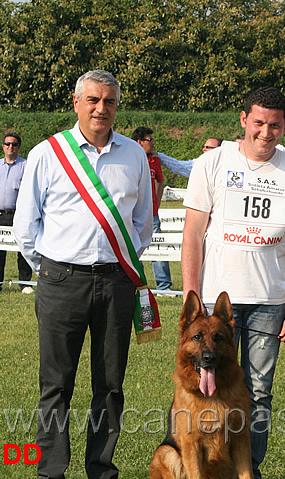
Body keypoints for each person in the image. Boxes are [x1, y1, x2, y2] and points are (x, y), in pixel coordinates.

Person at [13, 70, 153, 478]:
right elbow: (26, 226)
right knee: (55, 384)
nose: (101, 108)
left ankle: (100, 468)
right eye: (92, 100)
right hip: (61, 280)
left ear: (116, 106)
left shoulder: (133, 156)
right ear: (77, 103)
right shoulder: (47, 153)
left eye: (109, 101)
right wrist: (52, 269)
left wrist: (120, 261)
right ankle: (51, 470)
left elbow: (143, 221)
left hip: (116, 282)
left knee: (109, 385)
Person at [181, 86, 285, 478]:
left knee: (257, 392)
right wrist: (193, 306)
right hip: (213, 307)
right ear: (243, 120)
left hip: (270, 302)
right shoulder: (211, 164)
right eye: (258, 123)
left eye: (275, 125)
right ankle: (204, 467)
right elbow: (192, 235)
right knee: (205, 386)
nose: (266, 133)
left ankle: (248, 469)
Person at [131, 126, 173, 294]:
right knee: (134, 249)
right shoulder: (130, 159)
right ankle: (137, 283)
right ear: (139, 142)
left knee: (159, 249)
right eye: (150, 140)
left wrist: (156, 202)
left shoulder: (155, 160)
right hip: (133, 215)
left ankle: (164, 286)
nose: (153, 143)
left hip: (152, 214)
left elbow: (160, 182)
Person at [0, 132, 33, 293]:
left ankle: (25, 284)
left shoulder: (26, 166)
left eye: (13, 144)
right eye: (7, 144)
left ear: (19, 147)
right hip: (0, 215)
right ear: (3, 146)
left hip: (18, 214)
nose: (10, 147)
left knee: (23, 249)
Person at [157, 137, 222, 177]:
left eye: (207, 147)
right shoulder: (199, 163)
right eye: (204, 146)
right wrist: (159, 156)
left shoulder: (225, 165)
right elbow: (178, 166)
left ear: (218, 149)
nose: (203, 149)